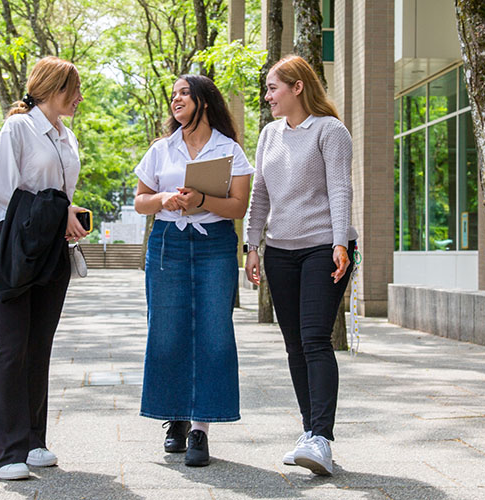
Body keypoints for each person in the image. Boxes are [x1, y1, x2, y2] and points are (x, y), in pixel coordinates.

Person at [244, 55, 359, 476]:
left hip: (322, 249)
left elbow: (341, 188)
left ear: (297, 87)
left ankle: (322, 439)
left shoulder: (331, 131)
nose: (268, 96)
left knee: (314, 339)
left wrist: (340, 241)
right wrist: (251, 246)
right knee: (294, 345)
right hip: (280, 251)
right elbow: (260, 195)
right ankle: (310, 433)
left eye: (273, 88)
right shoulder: (269, 134)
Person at [134, 75, 254, 467]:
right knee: (166, 331)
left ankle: (202, 428)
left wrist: (202, 198)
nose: (176, 100)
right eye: (173, 95)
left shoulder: (230, 150)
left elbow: (238, 207)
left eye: (184, 93)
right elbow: (140, 202)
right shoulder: (161, 150)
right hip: (168, 241)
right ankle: (176, 420)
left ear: (205, 100)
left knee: (214, 332)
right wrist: (164, 198)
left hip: (215, 245)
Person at [0, 56, 89, 481]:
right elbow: (2, 200)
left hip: (51, 251)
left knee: (39, 346)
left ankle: (33, 441)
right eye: (73, 89)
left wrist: (68, 213)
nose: (79, 98)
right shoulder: (18, 128)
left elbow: (56, 195)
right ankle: (7, 452)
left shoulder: (67, 136)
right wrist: (56, 210)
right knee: (12, 348)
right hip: (11, 247)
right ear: (52, 88)